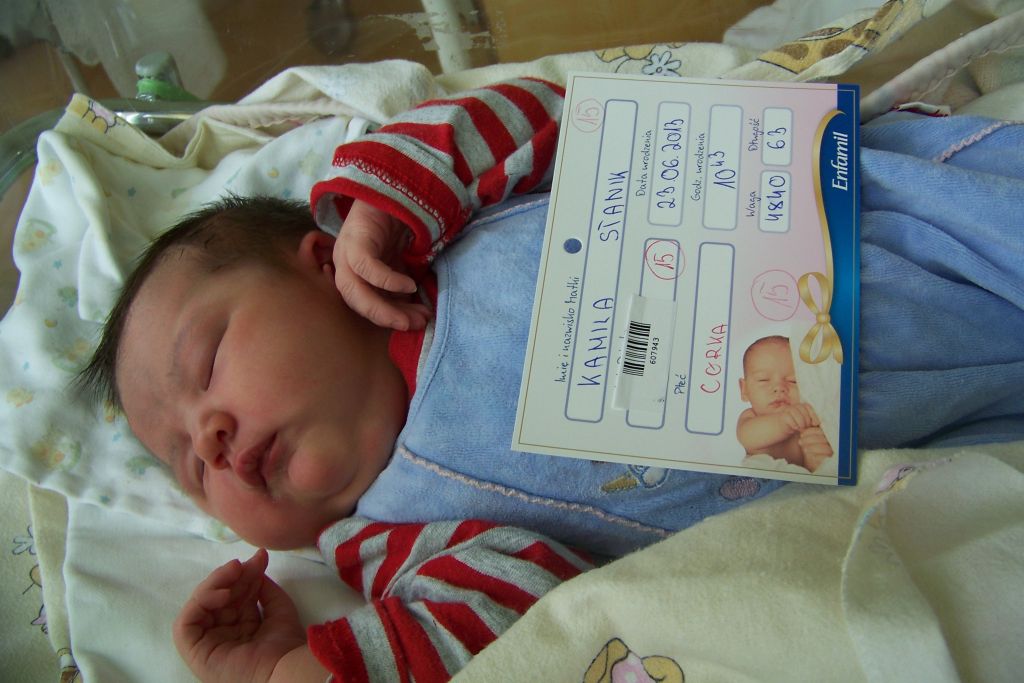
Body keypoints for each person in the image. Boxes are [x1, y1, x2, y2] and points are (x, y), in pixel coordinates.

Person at [76, 77, 1024, 682]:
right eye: (189, 464)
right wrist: (291, 670)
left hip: (883, 227)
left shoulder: (431, 231)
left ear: (323, 262)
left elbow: (545, 114)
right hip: (906, 434)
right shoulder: (390, 538)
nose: (210, 437)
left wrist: (385, 199)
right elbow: (520, 608)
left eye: (206, 364)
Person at [736, 335, 833, 471]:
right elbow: (748, 437)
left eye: (793, 381)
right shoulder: (750, 417)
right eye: (763, 380)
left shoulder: (807, 420)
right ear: (744, 389)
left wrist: (817, 456)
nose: (780, 388)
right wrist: (783, 421)